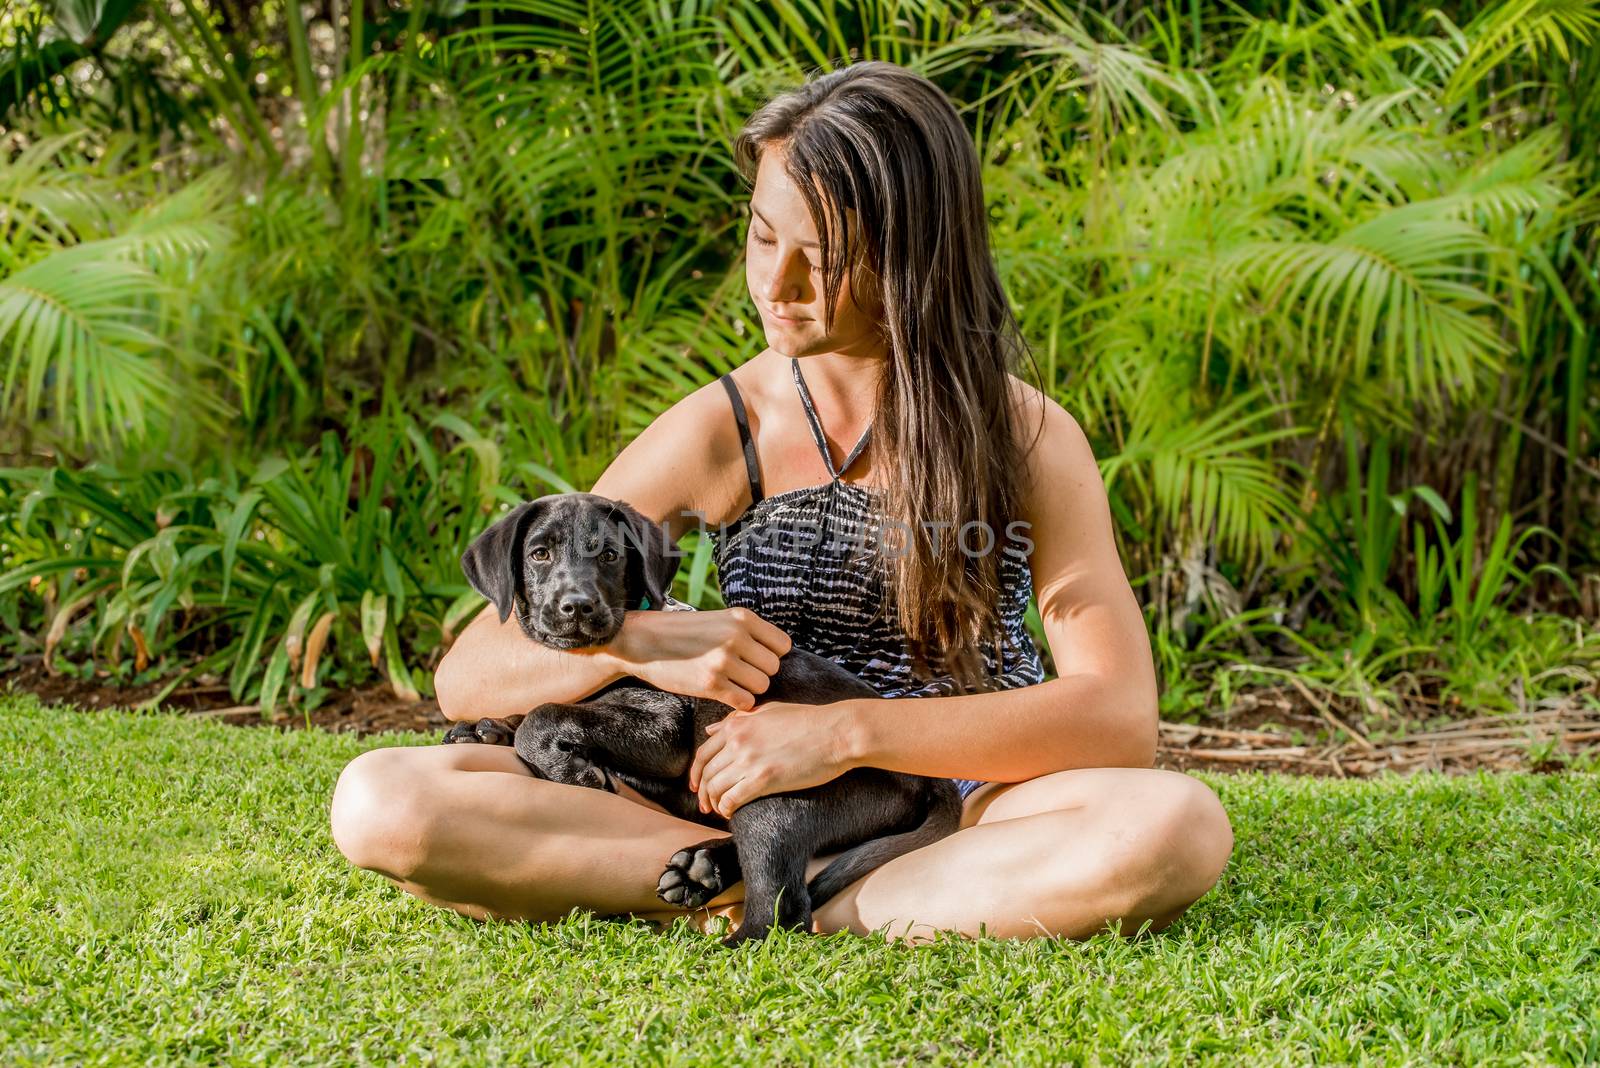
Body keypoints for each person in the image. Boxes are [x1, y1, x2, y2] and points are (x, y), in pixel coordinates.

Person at [330, 60, 1233, 942]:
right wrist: (646, 640)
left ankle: (785, 894)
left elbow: (1117, 715)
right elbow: (471, 673)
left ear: (917, 253)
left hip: (961, 802)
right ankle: (779, 881)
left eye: (825, 256)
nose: (777, 285)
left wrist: (841, 735)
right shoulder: (723, 428)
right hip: (723, 800)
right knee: (385, 803)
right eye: (765, 236)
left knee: (1172, 828)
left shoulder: (1027, 435)